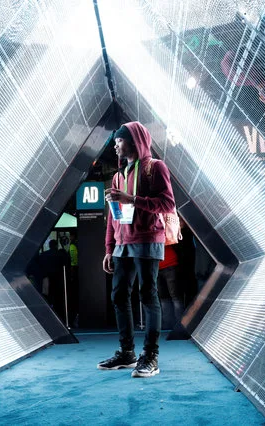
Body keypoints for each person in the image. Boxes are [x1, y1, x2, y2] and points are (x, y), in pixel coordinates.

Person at [98, 122, 175, 378]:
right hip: (122, 244)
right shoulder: (118, 176)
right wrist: (110, 248)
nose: (115, 144)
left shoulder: (156, 167)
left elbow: (167, 203)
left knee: (148, 295)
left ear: (132, 140)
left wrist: (131, 200)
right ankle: (127, 354)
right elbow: (113, 216)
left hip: (147, 239)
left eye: (119, 140)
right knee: (119, 296)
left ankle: (150, 356)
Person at [157, 244, 184, 330]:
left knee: (174, 297)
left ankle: (179, 324)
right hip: (160, 266)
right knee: (164, 297)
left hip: (169, 264)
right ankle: (170, 323)